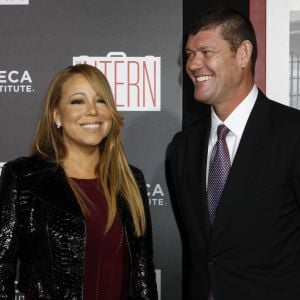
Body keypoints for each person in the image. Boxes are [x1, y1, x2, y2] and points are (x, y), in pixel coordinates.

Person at [168, 6, 300, 300]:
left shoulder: (292, 134)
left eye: (206, 52)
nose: (193, 64)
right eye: (189, 55)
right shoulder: (182, 148)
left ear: (243, 54)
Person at [0, 64, 158, 299]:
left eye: (101, 100)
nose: (93, 111)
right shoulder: (24, 177)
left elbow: (143, 276)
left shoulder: (130, 180)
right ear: (56, 115)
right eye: (78, 101)